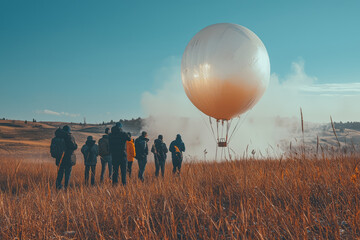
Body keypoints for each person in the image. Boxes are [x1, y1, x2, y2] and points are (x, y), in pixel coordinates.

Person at [55, 125, 77, 189]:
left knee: (60, 173)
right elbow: (73, 146)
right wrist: (76, 145)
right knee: (67, 174)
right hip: (68, 158)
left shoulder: (58, 137)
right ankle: (66, 187)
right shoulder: (69, 137)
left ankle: (58, 186)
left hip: (59, 158)